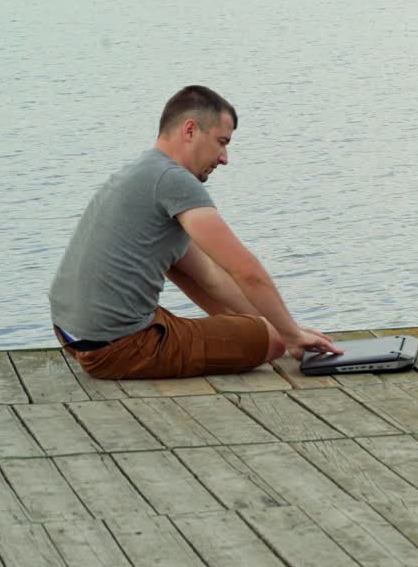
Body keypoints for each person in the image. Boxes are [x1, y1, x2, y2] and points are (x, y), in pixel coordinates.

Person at [48, 85, 342, 379]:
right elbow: (246, 272)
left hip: (75, 334)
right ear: (190, 130)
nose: (225, 157)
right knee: (273, 339)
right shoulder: (174, 180)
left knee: (266, 329)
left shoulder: (143, 172)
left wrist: (284, 327)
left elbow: (207, 277)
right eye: (221, 142)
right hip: (121, 347)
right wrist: (287, 334)